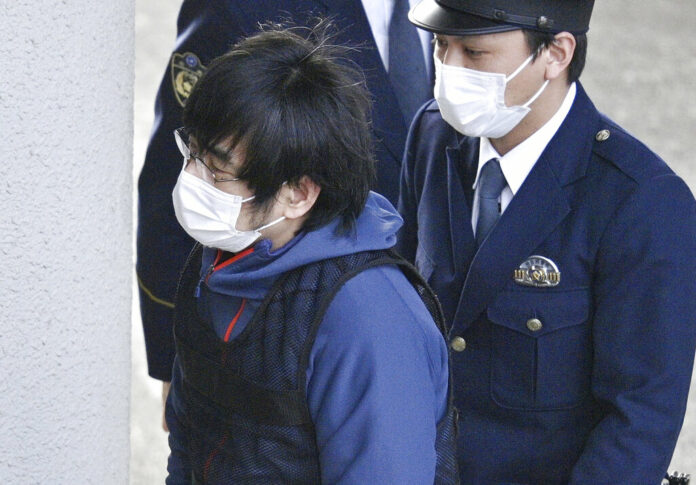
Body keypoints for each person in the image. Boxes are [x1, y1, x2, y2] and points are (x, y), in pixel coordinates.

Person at [397, 0, 696, 483]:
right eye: (440, 46)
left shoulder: (639, 202)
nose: (449, 71)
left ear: (556, 53)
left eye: (474, 53)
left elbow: (639, 419)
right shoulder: (433, 135)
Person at [164, 21, 458, 484]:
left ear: (300, 193)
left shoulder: (367, 318)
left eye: (218, 171)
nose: (192, 182)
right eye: (191, 153)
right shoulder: (217, 262)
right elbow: (188, 441)